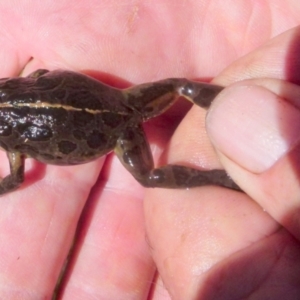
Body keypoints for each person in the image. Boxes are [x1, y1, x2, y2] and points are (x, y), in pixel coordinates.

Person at [0, 1, 299, 299]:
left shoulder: (12, 145)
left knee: (149, 177)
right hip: (124, 101)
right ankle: (228, 111)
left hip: (118, 125)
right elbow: (40, 75)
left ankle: (221, 171)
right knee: (180, 86)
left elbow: (15, 180)